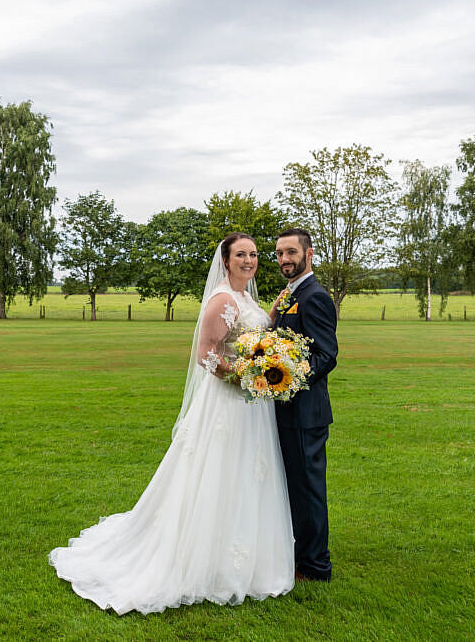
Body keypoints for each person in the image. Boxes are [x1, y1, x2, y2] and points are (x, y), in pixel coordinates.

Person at [49, 233, 295, 615]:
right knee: (218, 473)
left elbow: (256, 338)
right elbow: (206, 356)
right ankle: (203, 560)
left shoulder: (247, 299)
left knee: (248, 475)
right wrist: (245, 377)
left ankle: (246, 553)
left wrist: (269, 351)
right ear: (226, 261)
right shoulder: (221, 300)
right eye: (241, 255)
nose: (249, 260)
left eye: (254, 254)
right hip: (227, 404)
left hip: (252, 407)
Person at [270, 228, 338, 582]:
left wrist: (288, 377)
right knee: (294, 488)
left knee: (309, 489)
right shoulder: (288, 296)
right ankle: (299, 554)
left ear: (309, 254)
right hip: (284, 411)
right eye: (280, 253)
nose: (284, 259)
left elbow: (326, 355)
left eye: (291, 252)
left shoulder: (314, 297)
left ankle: (316, 566)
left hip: (305, 412)